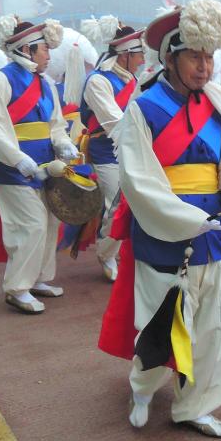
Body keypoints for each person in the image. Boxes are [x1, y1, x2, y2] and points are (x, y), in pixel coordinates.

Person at [98, 0, 221, 438]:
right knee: (160, 323)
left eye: (209, 57)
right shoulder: (142, 110)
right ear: (170, 56)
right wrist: (186, 219)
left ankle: (196, 406)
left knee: (214, 330)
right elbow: (140, 180)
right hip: (163, 235)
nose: (204, 68)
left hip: (216, 233)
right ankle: (143, 389)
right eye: (194, 57)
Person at [0, 16, 76, 314]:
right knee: (30, 224)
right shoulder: (1, 80)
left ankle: (39, 279)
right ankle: (17, 288)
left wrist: (63, 142)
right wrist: (17, 158)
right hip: (11, 169)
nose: (49, 55)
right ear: (27, 49)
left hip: (46, 166)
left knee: (50, 222)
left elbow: (54, 124)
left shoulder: (46, 83)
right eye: (44, 49)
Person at [75, 20, 145, 281]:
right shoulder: (98, 82)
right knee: (115, 205)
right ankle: (106, 254)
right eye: (138, 55)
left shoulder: (135, 80)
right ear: (125, 55)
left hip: (134, 147)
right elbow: (115, 122)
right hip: (106, 149)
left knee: (134, 205)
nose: (141, 60)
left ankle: (116, 251)